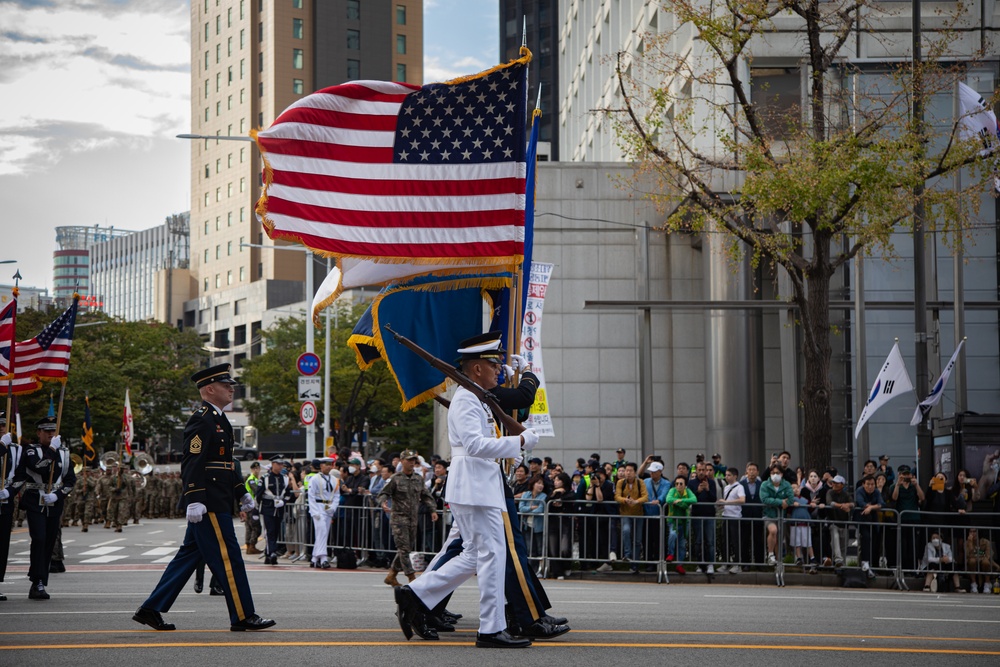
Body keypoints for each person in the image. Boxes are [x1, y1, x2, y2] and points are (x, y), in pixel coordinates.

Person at [394, 332, 538, 648]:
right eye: (494, 363)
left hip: (478, 485)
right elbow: (473, 444)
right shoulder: (467, 399)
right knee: (492, 555)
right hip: (475, 486)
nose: (499, 369)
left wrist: (512, 445)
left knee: (476, 555)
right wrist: (519, 441)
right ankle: (490, 629)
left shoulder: (476, 397)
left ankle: (416, 594)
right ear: (476, 369)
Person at [133, 363, 274, 632]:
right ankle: (244, 615)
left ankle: (151, 609)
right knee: (229, 556)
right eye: (226, 385)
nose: (232, 389)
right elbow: (192, 461)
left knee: (188, 557)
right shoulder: (202, 418)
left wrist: (241, 492)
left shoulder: (220, 419)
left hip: (218, 497)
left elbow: (226, 464)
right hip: (208, 501)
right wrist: (194, 497)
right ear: (210, 389)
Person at [19, 416, 76, 600]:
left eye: (53, 431)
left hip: (54, 503)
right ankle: (37, 580)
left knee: (49, 541)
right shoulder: (30, 451)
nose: (51, 434)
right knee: (39, 538)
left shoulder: (64, 453)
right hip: (35, 500)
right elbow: (40, 468)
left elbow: (70, 481)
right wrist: (52, 449)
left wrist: (58, 495)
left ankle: (40, 581)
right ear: (39, 433)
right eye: (47, 432)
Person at [378, 449, 437, 585]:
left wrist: (432, 510)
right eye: (409, 460)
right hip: (399, 518)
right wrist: (383, 502)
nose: (412, 463)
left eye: (413, 460)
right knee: (404, 549)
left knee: (406, 548)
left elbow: (426, 496)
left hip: (413, 519)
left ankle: (392, 575)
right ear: (402, 461)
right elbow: (383, 493)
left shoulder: (418, 479)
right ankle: (411, 577)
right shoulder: (396, 479)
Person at [0, 413, 26, 602]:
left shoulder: (15, 449)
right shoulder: (4, 446)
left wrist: (10, 491)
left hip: (5, 499)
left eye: (3, 425)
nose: (1, 428)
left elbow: (21, 475)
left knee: (2, 544)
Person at [255, 456, 293, 565]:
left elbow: (287, 493)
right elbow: (259, 494)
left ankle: (268, 554)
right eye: (278, 464)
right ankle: (272, 552)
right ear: (273, 464)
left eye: (282, 464)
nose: (281, 466)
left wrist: (283, 502)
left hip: (279, 509)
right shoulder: (265, 478)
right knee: (270, 531)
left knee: (276, 531)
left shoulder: (284, 478)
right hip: (268, 508)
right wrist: (255, 510)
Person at [614, 462, 648, 572]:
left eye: (630, 471)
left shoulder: (640, 482)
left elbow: (645, 497)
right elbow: (617, 496)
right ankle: (627, 554)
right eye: (626, 470)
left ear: (635, 472)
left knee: (637, 540)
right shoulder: (620, 482)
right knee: (626, 530)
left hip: (638, 514)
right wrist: (625, 500)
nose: (627, 473)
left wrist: (636, 501)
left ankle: (635, 565)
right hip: (625, 513)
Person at [308, 457, 340, 569]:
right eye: (326, 464)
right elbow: (311, 496)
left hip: (328, 508)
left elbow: (336, 495)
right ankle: (323, 558)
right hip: (318, 507)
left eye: (330, 464)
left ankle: (314, 558)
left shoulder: (335, 480)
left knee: (323, 533)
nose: (328, 466)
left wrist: (333, 507)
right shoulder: (315, 478)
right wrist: (314, 511)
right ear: (321, 466)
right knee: (322, 531)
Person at [760, 463, 793, 567]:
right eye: (773, 473)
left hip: (781, 516)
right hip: (768, 515)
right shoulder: (765, 484)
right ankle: (770, 555)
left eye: (777, 473)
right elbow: (765, 499)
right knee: (773, 531)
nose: (775, 475)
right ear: (770, 474)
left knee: (779, 538)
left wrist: (786, 503)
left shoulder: (786, 484)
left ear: (782, 474)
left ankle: (779, 562)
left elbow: (791, 499)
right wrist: (780, 502)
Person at [690, 461, 718, 574]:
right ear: (696, 470)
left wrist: (707, 489)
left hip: (709, 515)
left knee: (710, 541)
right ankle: (700, 564)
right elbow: (691, 498)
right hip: (697, 515)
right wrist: (698, 491)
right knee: (698, 541)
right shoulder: (691, 483)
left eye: (703, 470)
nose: (701, 472)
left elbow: (714, 498)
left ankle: (710, 564)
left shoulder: (711, 482)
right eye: (699, 470)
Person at [642, 460, 670, 572]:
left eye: (654, 471)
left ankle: (659, 561)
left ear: (660, 471)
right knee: (647, 540)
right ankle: (649, 562)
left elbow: (664, 495)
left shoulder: (666, 483)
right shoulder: (645, 481)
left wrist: (659, 500)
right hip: (647, 515)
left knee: (659, 540)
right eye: (651, 471)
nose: (651, 473)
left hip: (659, 516)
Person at [665, 475, 696, 574]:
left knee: (682, 544)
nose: (678, 485)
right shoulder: (672, 490)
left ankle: (679, 565)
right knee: (673, 535)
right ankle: (670, 554)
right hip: (673, 520)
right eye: (677, 483)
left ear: (685, 485)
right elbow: (668, 499)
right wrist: (683, 505)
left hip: (684, 521)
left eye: (681, 484)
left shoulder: (688, 492)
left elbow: (694, 500)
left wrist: (681, 500)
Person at [854, 474, 883, 578]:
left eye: (872, 484)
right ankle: (864, 562)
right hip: (861, 519)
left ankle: (873, 567)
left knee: (875, 542)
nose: (870, 486)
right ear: (863, 484)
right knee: (866, 537)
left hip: (873, 520)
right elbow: (861, 502)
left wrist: (871, 508)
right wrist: (871, 507)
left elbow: (881, 504)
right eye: (868, 484)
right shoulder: (859, 491)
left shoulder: (876, 492)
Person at [717, 467, 745, 574]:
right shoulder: (726, 487)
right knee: (725, 541)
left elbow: (742, 500)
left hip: (735, 517)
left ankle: (737, 564)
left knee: (735, 541)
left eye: (729, 475)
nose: (726, 477)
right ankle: (725, 563)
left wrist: (727, 502)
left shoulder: (739, 487)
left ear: (735, 476)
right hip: (726, 515)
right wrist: (722, 505)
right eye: (726, 475)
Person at [739, 462, 765, 565]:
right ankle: (746, 563)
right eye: (750, 470)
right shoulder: (741, 484)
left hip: (758, 516)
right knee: (745, 541)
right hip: (745, 516)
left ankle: (759, 563)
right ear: (746, 471)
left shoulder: (762, 485)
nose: (751, 472)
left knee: (759, 541)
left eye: (754, 470)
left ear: (758, 472)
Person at [825, 475, 853, 567]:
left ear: (842, 485)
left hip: (844, 523)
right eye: (833, 482)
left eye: (837, 483)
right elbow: (830, 503)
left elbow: (853, 503)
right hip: (833, 522)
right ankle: (838, 560)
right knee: (835, 538)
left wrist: (848, 505)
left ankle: (842, 564)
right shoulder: (830, 492)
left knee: (844, 545)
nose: (834, 484)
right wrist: (842, 506)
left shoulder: (846, 494)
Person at [789, 483, 817, 573]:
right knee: (797, 542)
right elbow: (788, 509)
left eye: (797, 488)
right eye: (793, 488)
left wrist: (812, 505)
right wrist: (792, 504)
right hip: (795, 524)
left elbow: (809, 509)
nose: (795, 490)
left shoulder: (805, 500)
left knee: (808, 542)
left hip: (805, 523)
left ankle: (812, 558)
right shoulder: (790, 499)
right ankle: (799, 557)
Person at [965, 527, 1000, 594]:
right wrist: (970, 545)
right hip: (972, 564)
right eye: (970, 532)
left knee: (985, 562)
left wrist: (978, 555)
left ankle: (987, 584)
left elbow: (988, 555)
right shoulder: (967, 543)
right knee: (972, 561)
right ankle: (973, 584)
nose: (972, 534)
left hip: (985, 563)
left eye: (974, 531)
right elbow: (969, 556)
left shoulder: (986, 542)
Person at [518, 477, 546, 561]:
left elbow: (540, 509)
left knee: (540, 549)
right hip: (527, 525)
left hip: (538, 526)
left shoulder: (543, 496)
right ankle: (530, 568)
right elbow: (521, 508)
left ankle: (540, 569)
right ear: (533, 484)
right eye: (538, 483)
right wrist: (532, 507)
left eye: (542, 484)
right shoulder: (526, 494)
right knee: (529, 549)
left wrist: (528, 510)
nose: (541, 486)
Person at [243, 461, 262, 555]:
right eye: (255, 469)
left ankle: (249, 547)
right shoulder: (251, 479)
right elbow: (257, 491)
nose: (256, 470)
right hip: (251, 506)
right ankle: (251, 546)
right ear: (251, 469)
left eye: (258, 468)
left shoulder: (254, 478)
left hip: (249, 506)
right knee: (256, 527)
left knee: (249, 527)